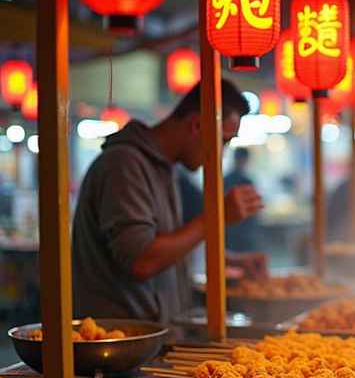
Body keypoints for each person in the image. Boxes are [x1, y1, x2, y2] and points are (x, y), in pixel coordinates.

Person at [72, 80, 266, 323]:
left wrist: (228, 259)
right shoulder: (124, 164)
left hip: (158, 331)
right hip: (121, 338)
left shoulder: (165, 168)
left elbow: (168, 243)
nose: (221, 153)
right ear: (196, 125)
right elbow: (142, 260)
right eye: (223, 141)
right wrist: (217, 215)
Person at [224, 147, 260, 253]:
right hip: (241, 233)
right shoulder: (246, 182)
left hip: (230, 232)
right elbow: (254, 209)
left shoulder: (225, 180)